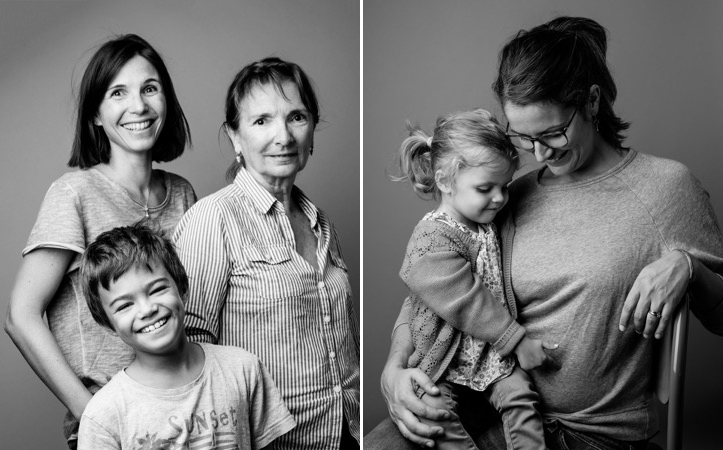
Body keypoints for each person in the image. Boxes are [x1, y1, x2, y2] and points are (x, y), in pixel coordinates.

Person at [367, 16, 723, 450]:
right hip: (487, 398)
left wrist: (688, 268)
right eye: (522, 137)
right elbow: (437, 287)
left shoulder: (665, 188)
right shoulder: (508, 197)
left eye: (553, 132)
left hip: (587, 433)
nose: (539, 152)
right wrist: (394, 365)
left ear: (591, 102)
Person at [4, 34, 196, 449]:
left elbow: (193, 307)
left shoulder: (182, 193)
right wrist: (92, 412)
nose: (139, 107)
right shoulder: (75, 193)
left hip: (186, 410)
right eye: (118, 93)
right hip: (115, 424)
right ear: (96, 113)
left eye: (150, 89)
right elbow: (20, 316)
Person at [172, 57, 360, 449]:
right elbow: (189, 350)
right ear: (236, 137)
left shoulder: (319, 221)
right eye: (262, 121)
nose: (284, 136)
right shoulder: (213, 218)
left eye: (296, 117)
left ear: (312, 130)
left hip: (345, 434)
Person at [393, 108, 549, 449]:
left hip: (488, 355)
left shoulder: (487, 223)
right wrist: (517, 341)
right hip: (444, 359)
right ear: (446, 181)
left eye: (504, 186)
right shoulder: (431, 237)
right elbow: (465, 298)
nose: (499, 197)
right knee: (432, 412)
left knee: (521, 399)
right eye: (485, 188)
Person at [76, 224, 296, 449]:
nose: (147, 310)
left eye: (157, 290)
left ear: (182, 288)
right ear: (107, 323)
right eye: (124, 306)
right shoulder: (103, 415)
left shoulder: (243, 369)